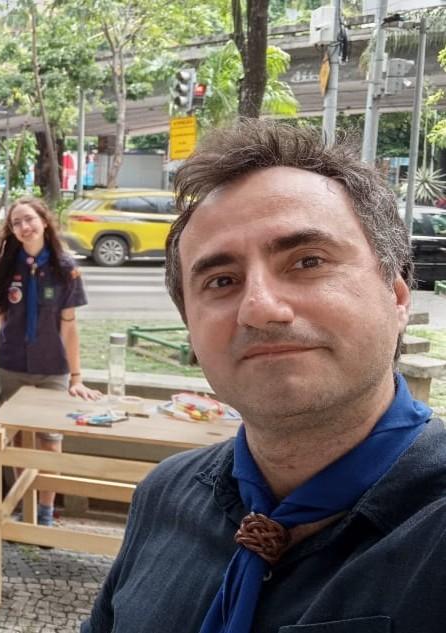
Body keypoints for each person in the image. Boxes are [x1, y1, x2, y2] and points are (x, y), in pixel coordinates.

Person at [82, 119, 446, 633]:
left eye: (308, 261)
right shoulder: (163, 496)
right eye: (221, 281)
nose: (259, 308)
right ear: (191, 331)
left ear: (398, 295)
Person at [0, 196, 100, 528]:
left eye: (29, 219)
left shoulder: (65, 267)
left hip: (51, 368)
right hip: (13, 366)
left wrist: (76, 377)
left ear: (44, 221)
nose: (24, 227)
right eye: (16, 222)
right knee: (18, 438)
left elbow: (69, 326)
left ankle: (46, 510)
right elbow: (2, 314)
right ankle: (26, 505)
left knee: (50, 440)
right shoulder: (6, 264)